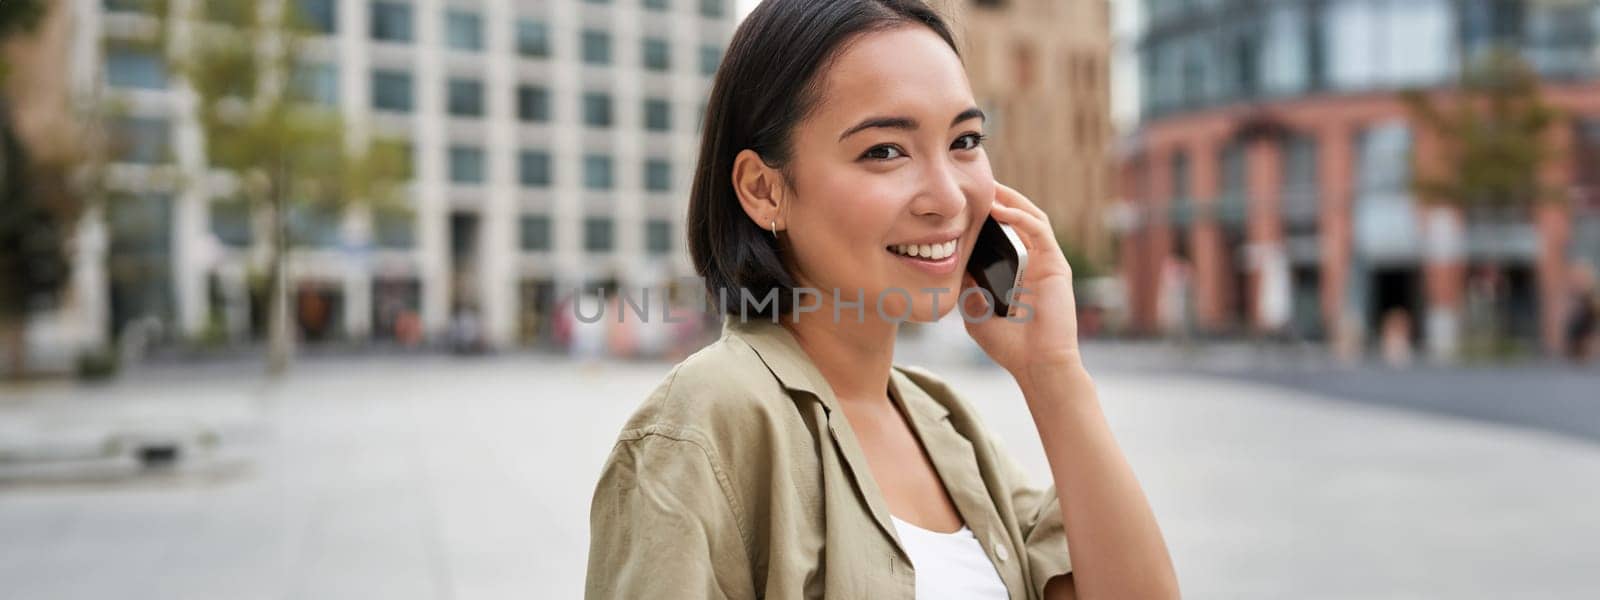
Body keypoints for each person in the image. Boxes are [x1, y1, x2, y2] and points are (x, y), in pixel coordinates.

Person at [584, 2, 1178, 598]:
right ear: (764, 190)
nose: (947, 198)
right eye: (885, 150)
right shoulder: (703, 427)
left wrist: (1054, 376)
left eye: (965, 141)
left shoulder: (948, 427)